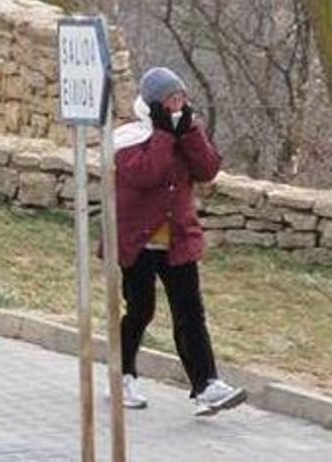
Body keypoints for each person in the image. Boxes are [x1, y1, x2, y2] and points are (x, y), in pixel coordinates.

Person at [111, 67, 245, 415]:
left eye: (182, 97)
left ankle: (206, 385)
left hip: (177, 240)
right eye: (171, 99)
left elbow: (207, 169)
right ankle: (122, 374)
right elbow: (146, 175)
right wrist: (162, 134)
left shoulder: (183, 130)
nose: (178, 104)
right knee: (140, 310)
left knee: (190, 313)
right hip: (138, 240)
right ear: (155, 103)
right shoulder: (128, 137)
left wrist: (188, 134)